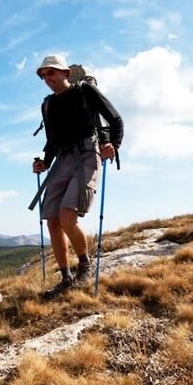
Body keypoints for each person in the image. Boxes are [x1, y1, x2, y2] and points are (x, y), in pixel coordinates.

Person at [31, 55, 123, 298]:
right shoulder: (48, 104)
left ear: (65, 73)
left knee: (66, 216)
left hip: (86, 153)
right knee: (52, 220)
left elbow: (115, 119)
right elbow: (52, 140)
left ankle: (85, 266)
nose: (47, 79)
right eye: (43, 75)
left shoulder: (85, 91)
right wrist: (44, 162)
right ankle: (65, 278)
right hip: (62, 158)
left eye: (51, 73)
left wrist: (113, 144)